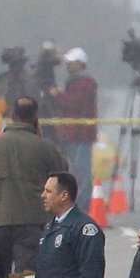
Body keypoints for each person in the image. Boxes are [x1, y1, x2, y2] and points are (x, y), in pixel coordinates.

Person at [0, 96, 70, 275]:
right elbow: (63, 182)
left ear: (12, 115)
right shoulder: (47, 148)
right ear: (36, 117)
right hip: (34, 222)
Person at [51, 48, 99, 193]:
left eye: (71, 63)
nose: (68, 66)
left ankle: (82, 205)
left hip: (82, 134)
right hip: (71, 133)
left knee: (82, 171)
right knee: (74, 170)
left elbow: (75, 103)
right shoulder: (73, 82)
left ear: (80, 63)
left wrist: (58, 95)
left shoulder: (86, 83)